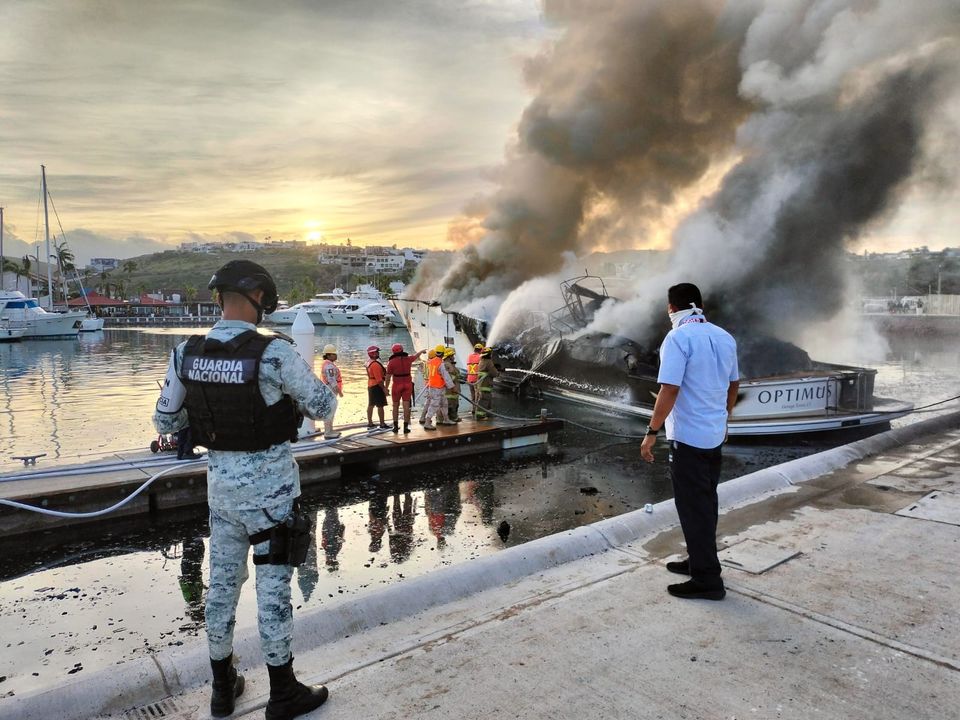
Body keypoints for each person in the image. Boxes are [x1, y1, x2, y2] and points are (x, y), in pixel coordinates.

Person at [153, 259, 334, 719]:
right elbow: (322, 403)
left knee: (221, 588)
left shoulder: (185, 354)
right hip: (271, 496)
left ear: (218, 299)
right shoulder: (274, 353)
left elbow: (166, 421)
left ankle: (222, 688)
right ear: (261, 300)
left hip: (222, 494)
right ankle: (283, 691)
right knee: (273, 589)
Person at [639, 282, 739, 602]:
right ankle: (700, 562)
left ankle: (708, 580)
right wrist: (725, 418)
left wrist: (651, 433)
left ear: (672, 308)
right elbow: (734, 384)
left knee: (693, 508)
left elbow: (669, 390)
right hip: (713, 437)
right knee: (705, 504)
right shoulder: (724, 336)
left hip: (688, 440)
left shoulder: (677, 338)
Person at [384, 342, 424, 433]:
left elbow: (388, 377)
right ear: (402, 349)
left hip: (397, 385)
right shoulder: (408, 359)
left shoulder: (391, 362)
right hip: (407, 384)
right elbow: (416, 356)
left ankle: (395, 427)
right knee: (406, 406)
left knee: (395, 406)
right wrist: (421, 351)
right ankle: (406, 428)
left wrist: (386, 388)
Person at [423, 344, 455, 430]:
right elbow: (446, 376)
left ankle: (446, 419)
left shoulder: (431, 361)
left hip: (434, 386)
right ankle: (427, 422)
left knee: (444, 403)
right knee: (434, 405)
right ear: (443, 353)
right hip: (437, 387)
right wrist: (452, 387)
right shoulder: (441, 364)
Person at [319, 344, 343, 439]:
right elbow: (332, 380)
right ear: (328, 355)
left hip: (328, 390)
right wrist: (340, 392)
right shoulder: (329, 366)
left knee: (330, 411)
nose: (336, 356)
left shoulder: (327, 364)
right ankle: (328, 432)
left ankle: (330, 430)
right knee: (329, 411)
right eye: (334, 354)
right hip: (330, 391)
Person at [365, 345, 389, 429]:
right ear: (373, 353)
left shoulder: (368, 362)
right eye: (377, 352)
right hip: (376, 386)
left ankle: (370, 423)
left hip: (370, 385)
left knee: (371, 404)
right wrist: (384, 389)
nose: (378, 353)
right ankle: (382, 424)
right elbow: (379, 380)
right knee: (380, 405)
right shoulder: (375, 365)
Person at [475, 346, 498, 420]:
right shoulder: (488, 362)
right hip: (486, 385)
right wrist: (498, 372)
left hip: (481, 384)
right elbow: (494, 373)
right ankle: (480, 416)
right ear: (489, 354)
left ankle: (488, 413)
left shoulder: (481, 361)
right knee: (484, 400)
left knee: (487, 400)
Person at [442, 347, 462, 422]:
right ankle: (452, 418)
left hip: (452, 390)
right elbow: (449, 377)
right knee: (451, 405)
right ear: (449, 356)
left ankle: (453, 417)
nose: (453, 357)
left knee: (453, 405)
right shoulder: (447, 365)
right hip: (451, 390)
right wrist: (457, 377)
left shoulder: (448, 364)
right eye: (452, 356)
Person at [465, 342, 482, 416]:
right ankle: (476, 409)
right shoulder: (480, 357)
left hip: (469, 378)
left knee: (472, 395)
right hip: (476, 378)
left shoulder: (469, 356)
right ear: (480, 350)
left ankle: (472, 409)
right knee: (477, 395)